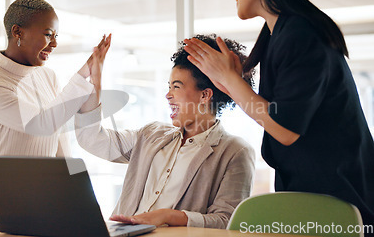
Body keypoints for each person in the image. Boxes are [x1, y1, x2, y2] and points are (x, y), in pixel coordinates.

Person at [184, 0, 374, 228]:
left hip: (339, 206)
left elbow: (285, 128)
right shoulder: (281, 33)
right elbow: (277, 116)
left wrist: (231, 82)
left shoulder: (300, 33)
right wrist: (230, 86)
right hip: (317, 201)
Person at [75, 34, 255, 228]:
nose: (168, 95)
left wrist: (168, 216)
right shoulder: (151, 135)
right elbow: (92, 139)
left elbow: (227, 221)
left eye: (176, 87)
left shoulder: (235, 152)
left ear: (205, 95)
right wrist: (95, 86)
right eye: (169, 86)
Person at [0, 0, 111, 209]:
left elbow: (58, 140)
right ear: (18, 32)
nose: (54, 44)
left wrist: (73, 192)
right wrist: (83, 74)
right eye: (48, 35)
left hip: (41, 199)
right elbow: (43, 124)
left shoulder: (47, 76)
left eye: (56, 36)